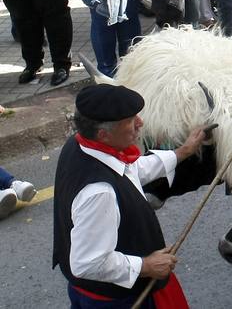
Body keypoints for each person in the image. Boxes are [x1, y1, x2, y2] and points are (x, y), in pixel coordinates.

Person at [54, 83, 206, 309]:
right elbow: (87, 262)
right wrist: (146, 265)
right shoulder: (99, 193)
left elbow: (130, 170)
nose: (140, 123)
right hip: (117, 301)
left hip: (90, 292)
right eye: (130, 120)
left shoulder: (80, 144)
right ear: (104, 134)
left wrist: (182, 152)